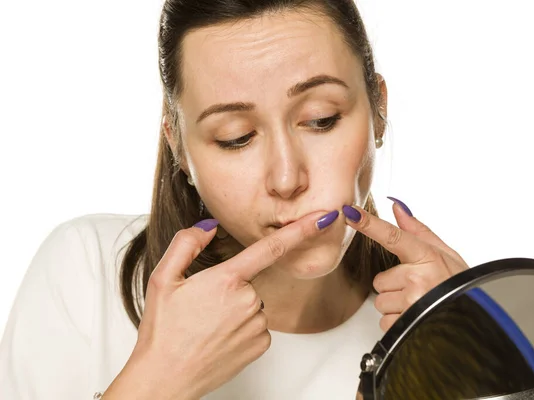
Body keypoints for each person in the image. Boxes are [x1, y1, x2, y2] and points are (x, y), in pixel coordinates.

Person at [0, 0, 469, 398]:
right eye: (236, 137)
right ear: (178, 144)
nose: (287, 179)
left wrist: (492, 349)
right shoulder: (86, 271)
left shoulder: (444, 318)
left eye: (321, 119)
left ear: (379, 110)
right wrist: (158, 380)